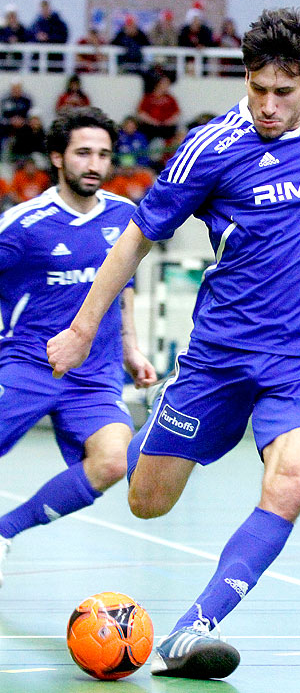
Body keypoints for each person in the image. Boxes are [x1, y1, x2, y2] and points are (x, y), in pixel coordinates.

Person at [46, 7, 300, 680]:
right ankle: (158, 420)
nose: (268, 105)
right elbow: (138, 234)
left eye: (283, 92)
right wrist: (83, 329)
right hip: (219, 359)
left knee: (294, 481)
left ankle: (191, 631)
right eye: (257, 88)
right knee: (147, 499)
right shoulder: (211, 148)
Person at [0, 107, 156, 588]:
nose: (95, 164)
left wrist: (132, 350)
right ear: (57, 157)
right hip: (28, 364)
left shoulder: (126, 217)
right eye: (83, 153)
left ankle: (4, 532)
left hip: (95, 376)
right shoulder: (23, 224)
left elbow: (122, 287)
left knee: (114, 460)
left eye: (104, 155)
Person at [136, 75, 181, 141]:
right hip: (151, 127)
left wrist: (169, 121)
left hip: (167, 127)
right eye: (165, 83)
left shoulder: (170, 98)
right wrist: (153, 122)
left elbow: (177, 113)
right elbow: (141, 112)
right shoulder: (148, 98)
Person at [0, 4, 30, 73]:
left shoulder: (21, 28)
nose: (11, 18)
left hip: (18, 63)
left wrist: (18, 39)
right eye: (9, 16)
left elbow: (27, 37)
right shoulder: (2, 29)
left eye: (13, 16)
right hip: (3, 63)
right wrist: (7, 40)